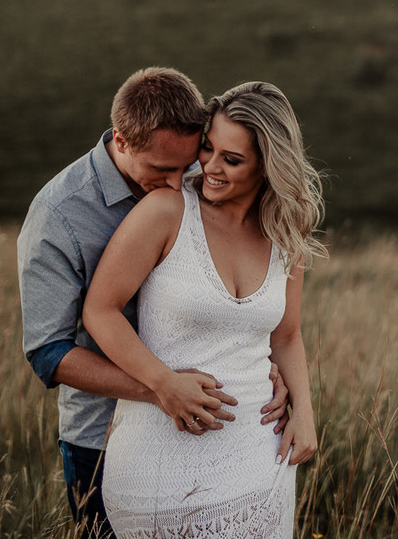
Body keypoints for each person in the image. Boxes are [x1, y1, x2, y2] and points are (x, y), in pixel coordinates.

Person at [18, 68, 291, 539]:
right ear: (122, 141)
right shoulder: (59, 217)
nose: (176, 184)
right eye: (161, 171)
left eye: (187, 165)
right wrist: (160, 389)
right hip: (98, 434)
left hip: (210, 428)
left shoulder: (193, 175)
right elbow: (49, 352)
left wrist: (265, 373)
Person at [83, 81, 325, 538]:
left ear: (268, 167)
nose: (211, 167)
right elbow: (100, 310)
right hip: (158, 458)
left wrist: (306, 412)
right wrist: (162, 383)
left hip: (260, 459)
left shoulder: (287, 234)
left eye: (232, 160)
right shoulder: (166, 211)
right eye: (208, 150)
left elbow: (287, 336)